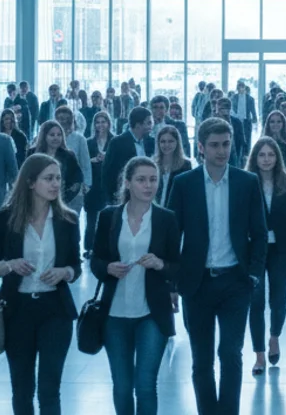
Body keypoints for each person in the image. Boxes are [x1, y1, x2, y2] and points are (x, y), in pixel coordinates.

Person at [165, 117, 267, 415]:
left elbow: (259, 233)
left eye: (226, 144)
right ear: (200, 148)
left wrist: (253, 274)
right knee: (202, 359)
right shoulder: (184, 183)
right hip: (196, 283)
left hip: (236, 281)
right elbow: (173, 236)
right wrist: (171, 284)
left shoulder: (247, 182)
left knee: (231, 354)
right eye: (214, 145)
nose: (222, 151)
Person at [0, 154, 82, 415]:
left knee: (50, 389)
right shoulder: (5, 219)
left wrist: (65, 272)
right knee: (22, 388)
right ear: (30, 182)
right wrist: (9, 265)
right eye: (48, 178)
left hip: (56, 311)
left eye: (58, 178)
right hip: (17, 311)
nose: (55, 184)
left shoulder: (68, 220)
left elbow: (76, 265)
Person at [91, 157, 180, 415]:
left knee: (145, 385)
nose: (148, 185)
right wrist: (107, 268)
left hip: (152, 313)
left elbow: (177, 266)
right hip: (114, 314)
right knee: (121, 385)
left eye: (153, 179)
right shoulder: (108, 216)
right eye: (141, 180)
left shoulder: (166, 219)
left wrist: (160, 264)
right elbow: (96, 260)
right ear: (127, 183)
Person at [244, 137, 286, 376]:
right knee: (256, 301)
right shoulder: (247, 181)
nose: (266, 159)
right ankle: (259, 354)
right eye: (262, 155)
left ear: (277, 157)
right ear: (255, 158)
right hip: (255, 250)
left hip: (282, 248)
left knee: (278, 299)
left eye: (271, 155)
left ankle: (274, 337)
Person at [101, 107, 156, 210]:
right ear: (138, 125)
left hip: (147, 196)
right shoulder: (117, 143)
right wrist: (113, 199)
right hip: (123, 197)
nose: (151, 126)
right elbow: (107, 173)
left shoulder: (151, 142)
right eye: (148, 123)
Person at [27, 120, 86, 209]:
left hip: (61, 203)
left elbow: (77, 179)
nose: (56, 138)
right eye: (52, 135)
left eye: (59, 135)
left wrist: (64, 198)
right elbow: (26, 177)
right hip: (36, 202)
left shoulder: (68, 155)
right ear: (44, 136)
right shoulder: (32, 153)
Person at [86, 111, 116, 254]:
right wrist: (93, 160)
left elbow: (119, 162)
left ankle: (108, 248)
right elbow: (84, 163)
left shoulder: (115, 141)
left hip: (109, 184)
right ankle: (89, 247)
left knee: (109, 217)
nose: (100, 125)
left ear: (109, 123)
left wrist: (107, 158)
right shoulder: (89, 142)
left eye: (103, 122)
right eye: (97, 122)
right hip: (93, 185)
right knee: (91, 218)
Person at [55, 106, 93, 207]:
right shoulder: (51, 138)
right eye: (60, 118)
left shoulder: (80, 139)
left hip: (75, 188)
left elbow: (85, 163)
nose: (62, 121)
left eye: (65, 118)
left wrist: (86, 184)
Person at [153, 124, 193, 207]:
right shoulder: (153, 163)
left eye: (170, 141)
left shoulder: (185, 165)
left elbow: (187, 194)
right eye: (163, 141)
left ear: (177, 142)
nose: (166, 145)